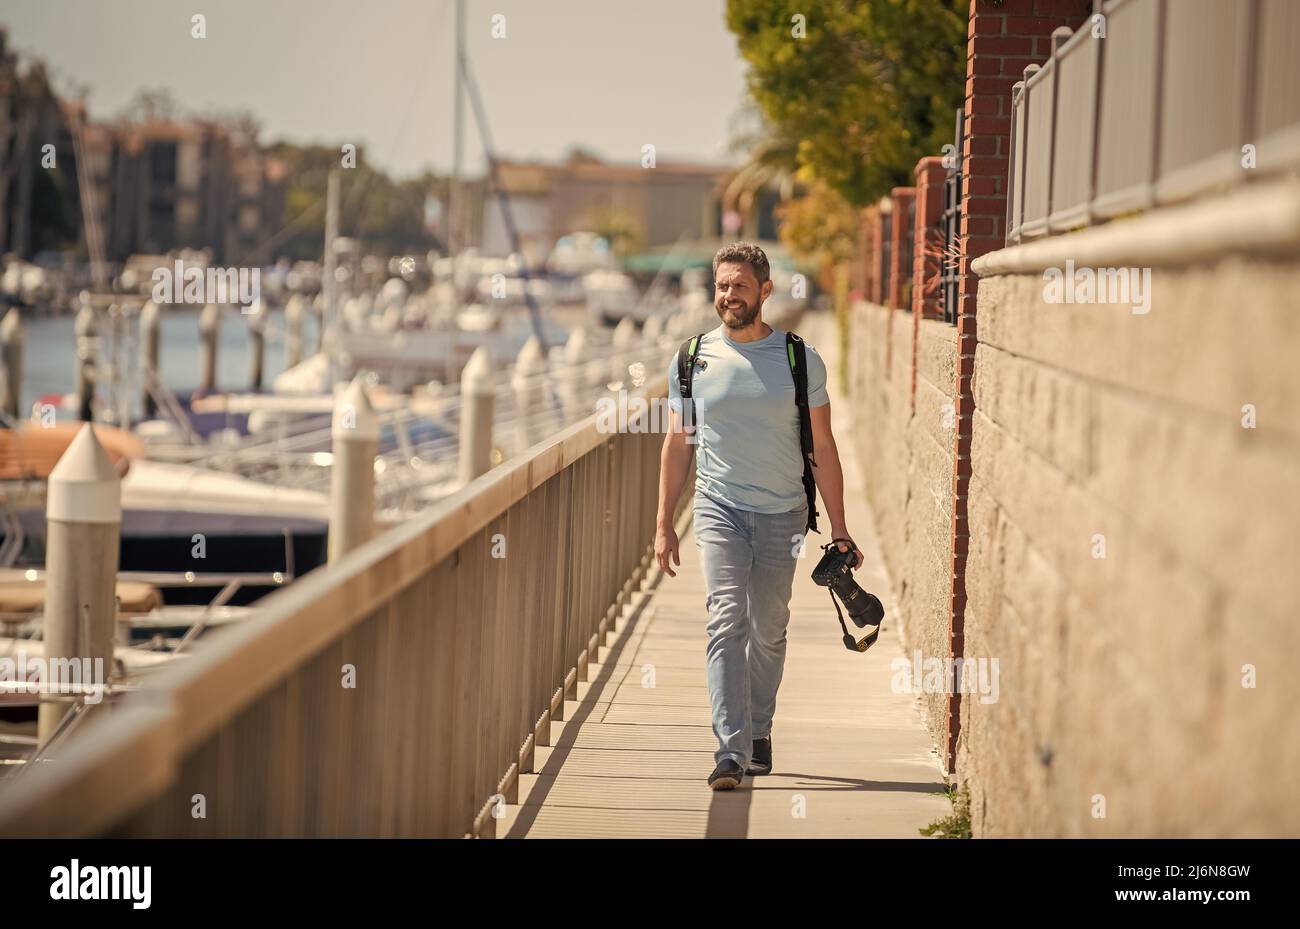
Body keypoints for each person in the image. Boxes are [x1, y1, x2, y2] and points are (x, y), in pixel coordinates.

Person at [654, 241, 862, 790]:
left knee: (768, 627)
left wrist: (840, 528)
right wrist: (663, 523)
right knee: (726, 618)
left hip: (783, 514)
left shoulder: (799, 359)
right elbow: (678, 442)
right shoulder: (691, 358)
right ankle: (730, 750)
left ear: (765, 291)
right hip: (717, 507)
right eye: (722, 285)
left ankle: (758, 728)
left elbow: (822, 446)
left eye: (740, 286)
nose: (729, 295)